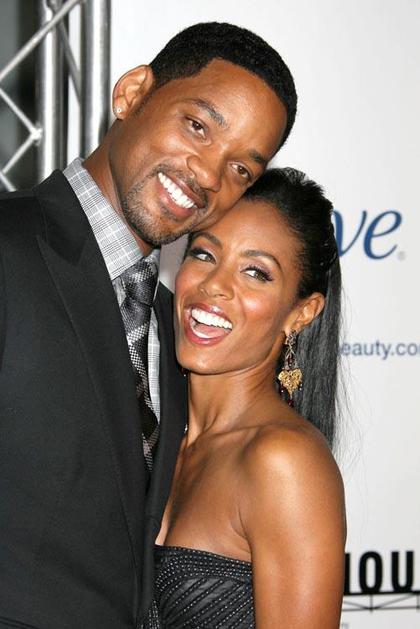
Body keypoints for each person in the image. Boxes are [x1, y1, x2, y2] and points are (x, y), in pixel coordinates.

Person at [0, 22, 297, 629]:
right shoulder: (8, 249)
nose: (208, 175)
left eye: (241, 170)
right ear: (132, 93)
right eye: (198, 126)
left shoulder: (174, 328)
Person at [145, 168, 346, 628]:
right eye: (204, 254)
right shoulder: (153, 432)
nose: (214, 285)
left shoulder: (283, 461)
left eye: (256, 272)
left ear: (301, 313)